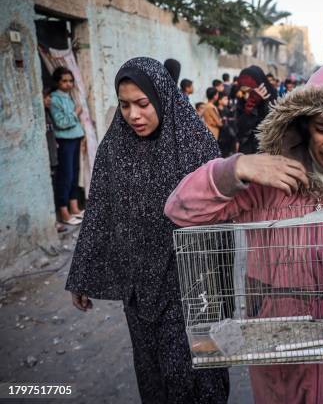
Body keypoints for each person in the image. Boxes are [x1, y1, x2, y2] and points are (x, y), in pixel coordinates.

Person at [164, 60, 323, 403]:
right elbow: (179, 210)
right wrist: (237, 167)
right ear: (304, 124)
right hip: (280, 355)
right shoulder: (268, 177)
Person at [65, 57, 229, 404]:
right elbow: (99, 210)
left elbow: (222, 213)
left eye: (143, 103)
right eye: (124, 105)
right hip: (138, 287)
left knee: (189, 373)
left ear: (163, 97)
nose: (133, 115)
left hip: (188, 286)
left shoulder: (194, 143)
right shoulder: (114, 146)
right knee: (152, 373)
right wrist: (81, 275)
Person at [49, 66, 85, 226]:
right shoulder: (54, 99)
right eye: (64, 81)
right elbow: (61, 123)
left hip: (75, 139)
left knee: (75, 173)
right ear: (57, 82)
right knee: (66, 175)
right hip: (65, 141)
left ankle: (74, 208)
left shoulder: (69, 96)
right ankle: (64, 212)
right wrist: (75, 113)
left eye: (71, 81)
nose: (68, 84)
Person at [235, 65, 277, 154]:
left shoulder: (273, 100)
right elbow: (240, 130)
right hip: (247, 154)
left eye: (250, 91)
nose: (246, 96)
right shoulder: (242, 102)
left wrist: (263, 103)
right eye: (243, 92)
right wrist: (250, 106)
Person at [43, 87, 66, 233]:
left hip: (53, 157)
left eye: (49, 97)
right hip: (47, 159)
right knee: (50, 189)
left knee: (55, 185)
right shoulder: (41, 117)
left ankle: (56, 219)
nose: (49, 100)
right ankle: (54, 221)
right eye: (45, 97)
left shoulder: (47, 114)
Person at [216, 92, 237, 158]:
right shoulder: (217, 111)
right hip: (222, 138)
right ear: (219, 101)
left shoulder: (228, 110)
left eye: (227, 99)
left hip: (230, 136)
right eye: (225, 99)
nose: (227, 101)